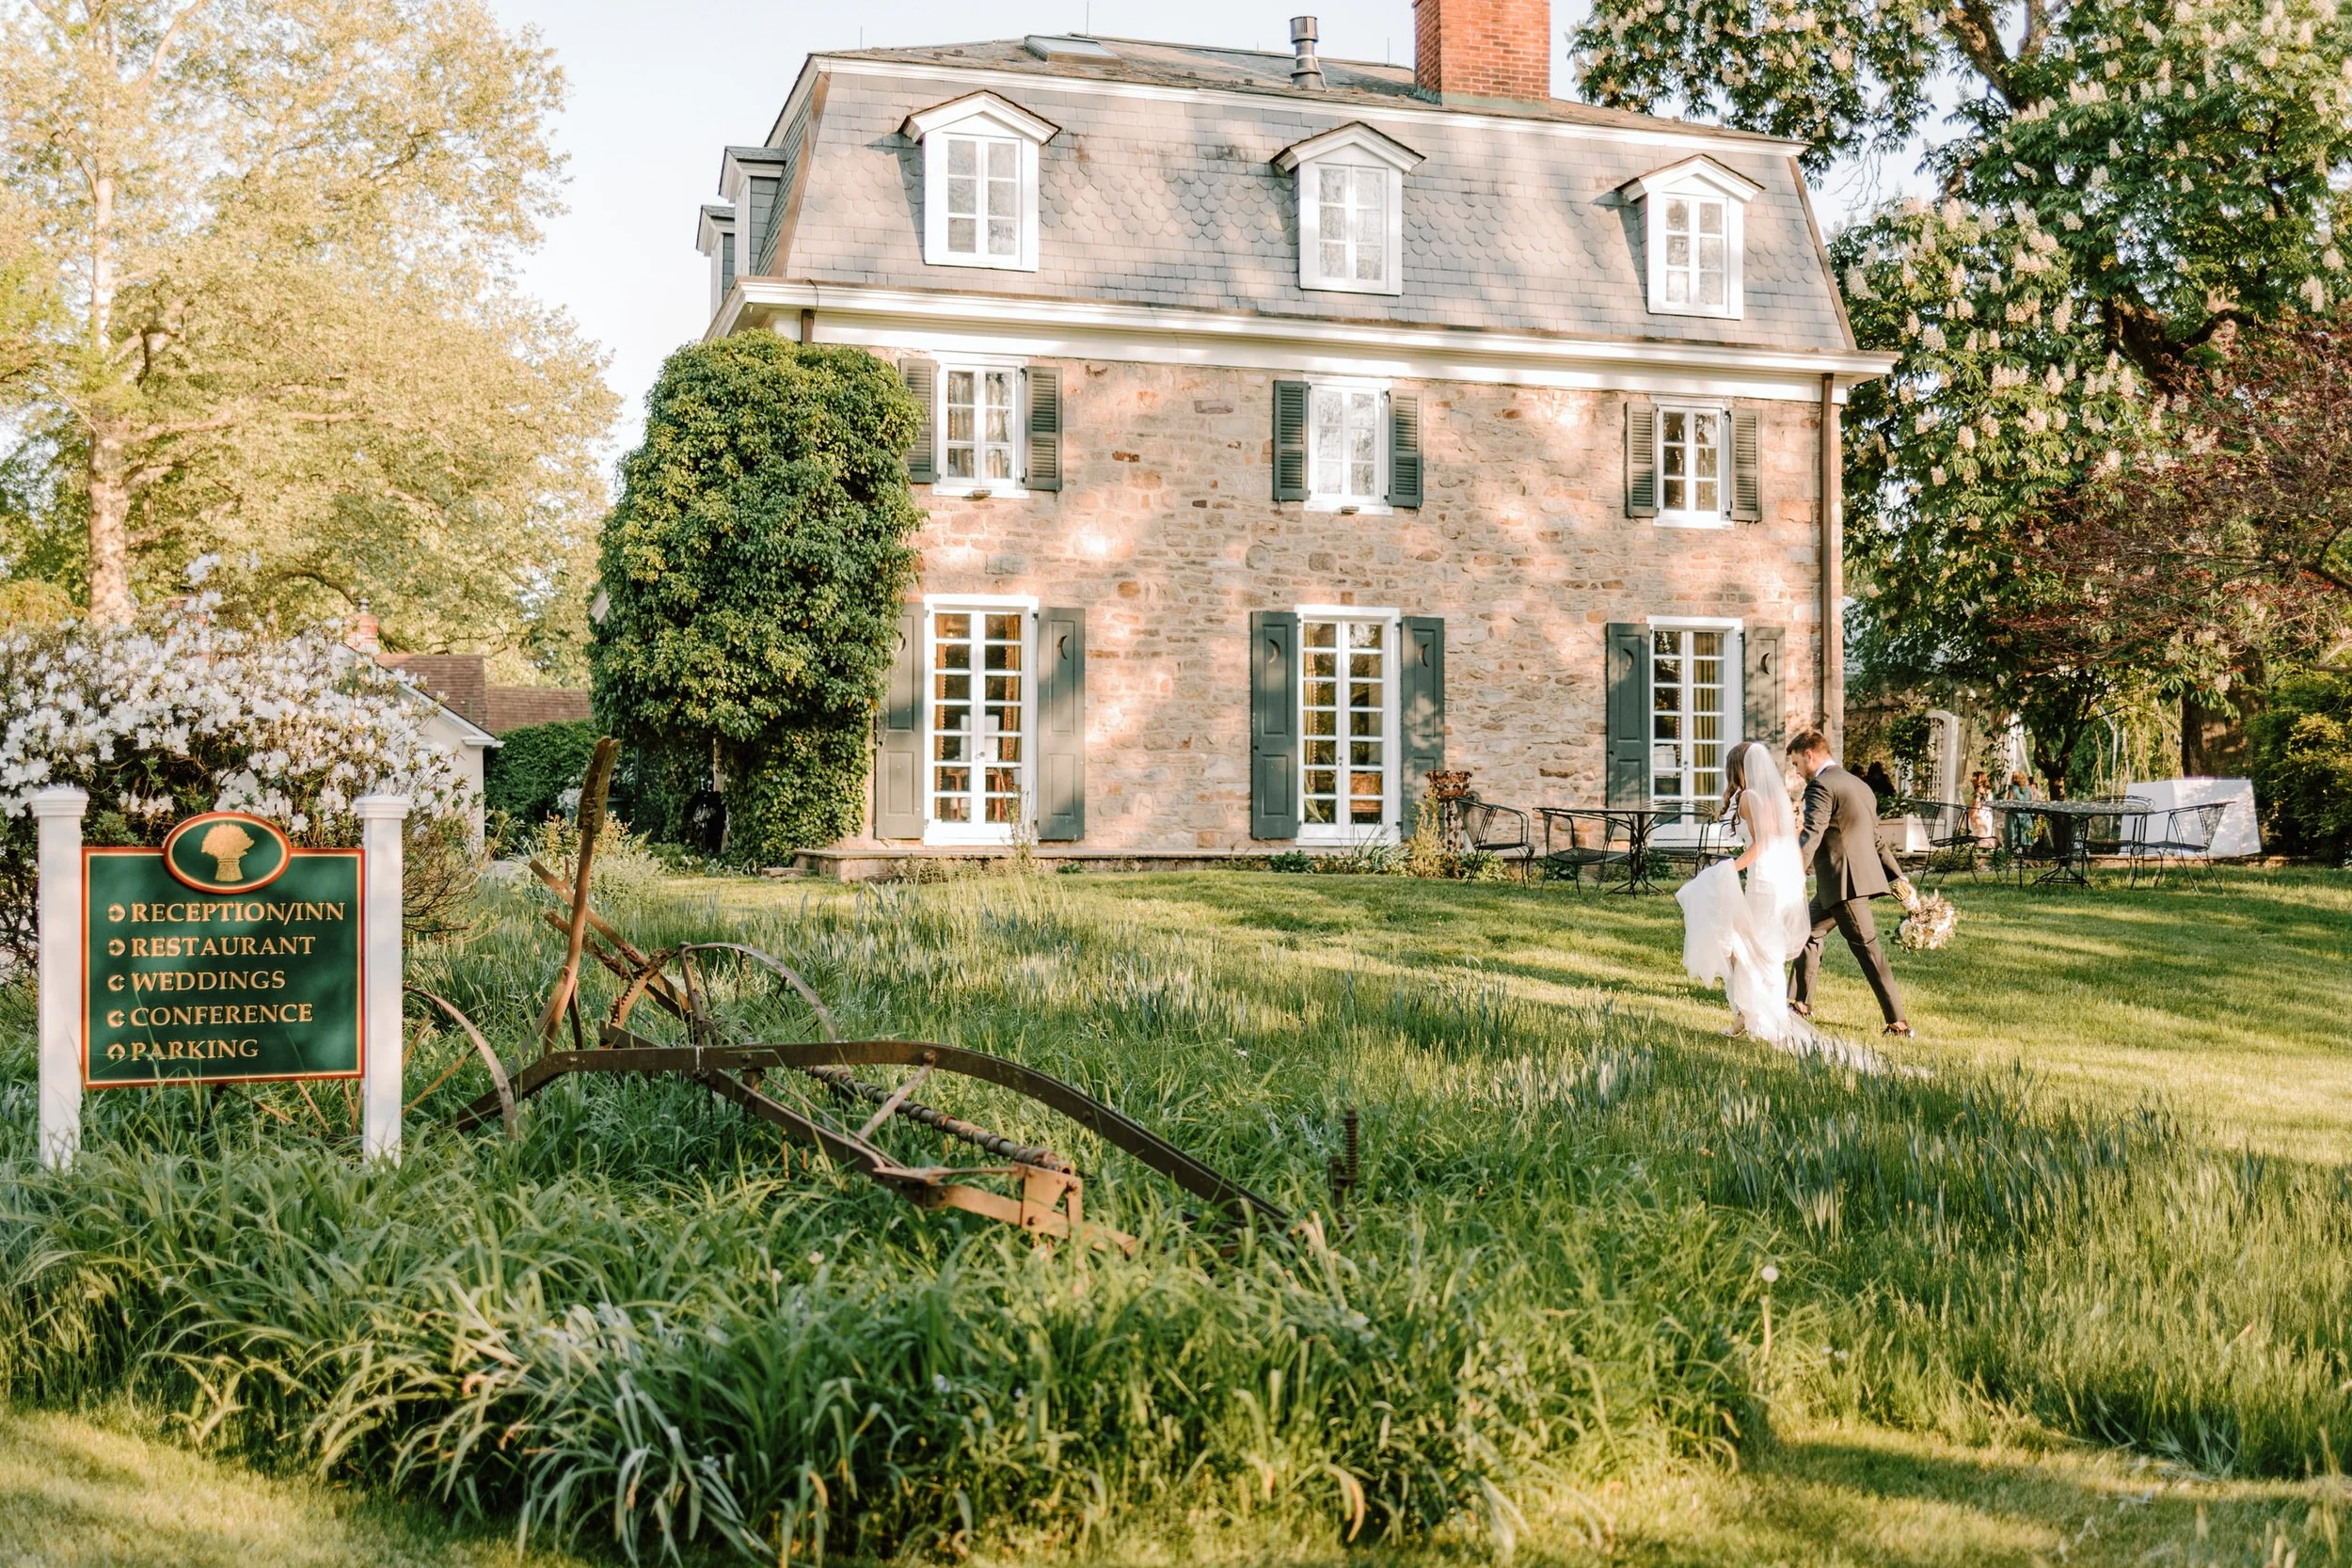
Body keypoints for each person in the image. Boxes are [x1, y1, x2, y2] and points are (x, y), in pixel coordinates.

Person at [1676, 740, 1811, 1041]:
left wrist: (1727, 869)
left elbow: (1761, 844)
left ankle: (1755, 1016)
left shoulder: (1750, 796)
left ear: (1736, 767)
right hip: (1782, 880)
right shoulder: (1775, 798)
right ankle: (1750, 1015)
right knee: (1764, 950)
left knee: (1745, 948)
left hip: (1764, 881)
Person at [1786, 729, 1916, 1037]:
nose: (1795, 770)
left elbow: (1812, 833)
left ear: (1809, 755)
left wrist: (1791, 873)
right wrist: (1898, 878)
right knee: (1808, 930)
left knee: (1869, 951)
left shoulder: (1820, 785)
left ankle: (1899, 1024)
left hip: (1845, 884)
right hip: (1842, 883)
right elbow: (1876, 839)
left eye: (1795, 763)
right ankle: (1801, 1004)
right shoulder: (1858, 785)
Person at [1967, 770, 1994, 846]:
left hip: (1980, 815)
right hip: (1988, 815)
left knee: (1980, 837)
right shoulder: (1989, 791)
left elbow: (1976, 804)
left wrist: (1971, 813)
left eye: (1975, 777)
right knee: (1986, 836)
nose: (1972, 779)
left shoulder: (1979, 791)